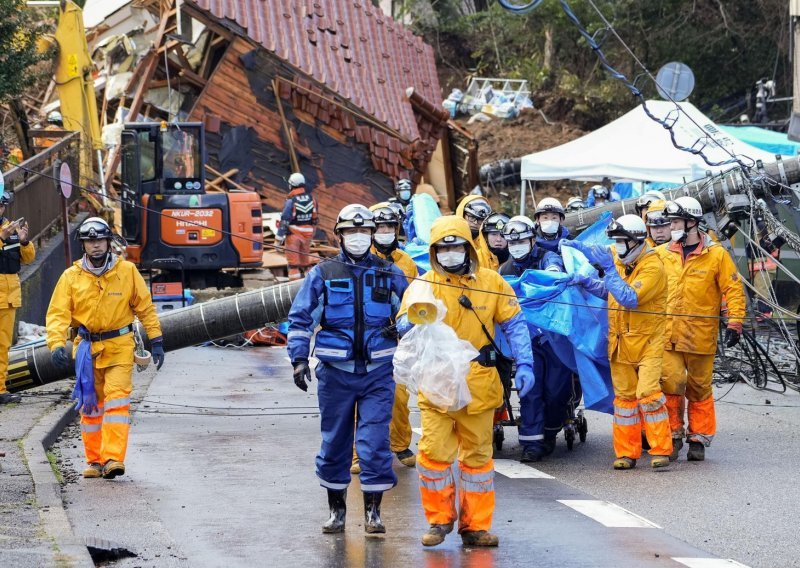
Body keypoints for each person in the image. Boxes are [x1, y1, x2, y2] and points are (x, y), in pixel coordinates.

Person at [396, 215, 534, 548]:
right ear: (433, 252)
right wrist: (415, 317)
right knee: (433, 453)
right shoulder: (423, 285)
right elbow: (402, 325)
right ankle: (439, 520)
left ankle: (476, 526)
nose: (450, 253)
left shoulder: (493, 282)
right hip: (437, 383)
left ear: (468, 248)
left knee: (477, 458)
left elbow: (515, 324)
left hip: (478, 382)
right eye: (443, 248)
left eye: (456, 246)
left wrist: (526, 361)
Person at [287, 204, 409, 535]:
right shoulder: (322, 274)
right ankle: (337, 512)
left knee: (373, 443)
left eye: (365, 231)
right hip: (335, 373)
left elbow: (413, 314)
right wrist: (298, 359)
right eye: (351, 232)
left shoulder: (390, 273)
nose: (358, 237)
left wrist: (408, 336)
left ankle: (373, 514)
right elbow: (301, 318)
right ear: (340, 235)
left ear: (372, 235)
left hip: (377, 373)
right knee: (335, 442)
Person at [46, 217, 164, 479]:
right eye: (90, 241)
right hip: (87, 349)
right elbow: (57, 314)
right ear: (84, 246)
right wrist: (55, 344)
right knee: (91, 406)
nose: (96, 246)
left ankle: (113, 458)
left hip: (120, 347)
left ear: (108, 242)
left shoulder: (127, 272)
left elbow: (144, 307)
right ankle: (95, 461)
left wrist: (156, 339)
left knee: (117, 400)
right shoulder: (71, 277)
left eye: (99, 240)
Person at [564, 215, 672, 469]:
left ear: (635, 241)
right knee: (624, 400)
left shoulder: (652, 266)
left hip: (648, 343)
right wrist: (587, 280)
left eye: (622, 241)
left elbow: (629, 297)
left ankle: (661, 450)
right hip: (621, 341)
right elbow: (608, 290)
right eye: (616, 241)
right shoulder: (622, 258)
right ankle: (626, 453)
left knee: (648, 394)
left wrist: (610, 270)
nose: (617, 246)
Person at [660, 197, 746, 461]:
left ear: (692, 223)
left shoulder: (716, 255)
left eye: (675, 221)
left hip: (700, 335)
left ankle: (698, 438)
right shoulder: (663, 254)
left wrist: (735, 322)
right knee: (671, 383)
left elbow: (733, 289)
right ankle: (673, 436)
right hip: (668, 334)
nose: (671, 227)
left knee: (699, 388)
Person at [349, 203, 418, 476]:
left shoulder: (406, 263)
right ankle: (357, 453)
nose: (385, 232)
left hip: (396, 339)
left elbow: (412, 299)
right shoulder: (358, 259)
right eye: (380, 228)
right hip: (365, 339)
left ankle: (400, 444)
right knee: (360, 398)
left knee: (399, 396)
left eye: (390, 227)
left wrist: (404, 327)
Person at [499, 215, 575, 462]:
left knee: (556, 391)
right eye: (512, 243)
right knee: (529, 391)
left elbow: (555, 273)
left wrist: (549, 275)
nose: (517, 246)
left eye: (521, 240)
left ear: (532, 239)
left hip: (553, 338)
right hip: (525, 341)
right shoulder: (505, 270)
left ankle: (551, 431)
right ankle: (531, 443)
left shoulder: (546, 258)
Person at [0, 193, 34, 404]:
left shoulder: (11, 228)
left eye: (1, 205)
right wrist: (2, 237)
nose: (0, 209)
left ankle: (1, 389)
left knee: (3, 345)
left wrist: (24, 241)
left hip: (9, 295)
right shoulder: (5, 232)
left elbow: (29, 258)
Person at [276, 172, 318, 281]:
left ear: (291, 185)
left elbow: (285, 221)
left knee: (293, 265)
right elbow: (314, 219)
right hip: (307, 234)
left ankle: (294, 290)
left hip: (293, 235)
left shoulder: (291, 201)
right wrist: (311, 234)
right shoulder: (312, 199)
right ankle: (310, 284)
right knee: (305, 263)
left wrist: (278, 239)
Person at [455, 195, 494, 268]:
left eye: (480, 219)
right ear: (462, 214)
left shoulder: (491, 241)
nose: (475, 223)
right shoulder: (450, 237)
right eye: (472, 217)